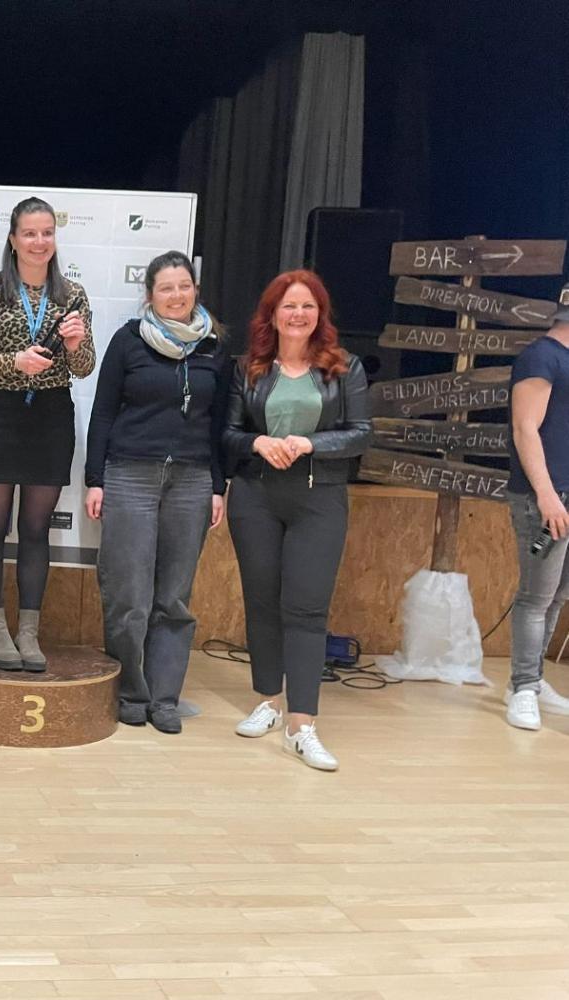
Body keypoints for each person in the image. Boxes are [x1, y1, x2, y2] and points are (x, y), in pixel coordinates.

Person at [222, 269, 370, 771]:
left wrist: (311, 443)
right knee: (262, 603)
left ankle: (301, 725)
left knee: (305, 610)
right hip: (255, 497)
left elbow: (361, 433)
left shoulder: (344, 368)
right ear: (272, 314)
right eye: (289, 305)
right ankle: (268, 700)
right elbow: (228, 434)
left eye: (308, 306)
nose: (298, 314)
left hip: (318, 499)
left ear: (320, 314)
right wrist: (258, 442)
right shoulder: (248, 368)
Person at [85, 251, 228, 733]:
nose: (176, 295)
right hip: (130, 475)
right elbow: (103, 412)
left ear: (195, 291)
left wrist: (218, 485)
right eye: (166, 288)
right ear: (150, 295)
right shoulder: (128, 341)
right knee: (129, 594)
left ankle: (165, 698)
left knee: (174, 598)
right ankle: (131, 691)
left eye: (184, 286)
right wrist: (95, 478)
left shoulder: (213, 348)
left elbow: (218, 423)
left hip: (192, 481)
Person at [0, 197, 94, 670]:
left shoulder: (72, 294)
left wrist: (75, 344)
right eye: (30, 233)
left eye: (47, 232)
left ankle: (28, 633)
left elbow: (84, 366)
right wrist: (13, 361)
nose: (39, 242)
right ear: (13, 239)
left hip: (50, 416)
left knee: (36, 529)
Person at [504, 280, 569, 731]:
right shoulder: (541, 357)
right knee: (535, 596)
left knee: (558, 595)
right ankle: (522, 686)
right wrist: (546, 494)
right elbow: (525, 428)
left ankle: (534, 677)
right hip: (544, 497)